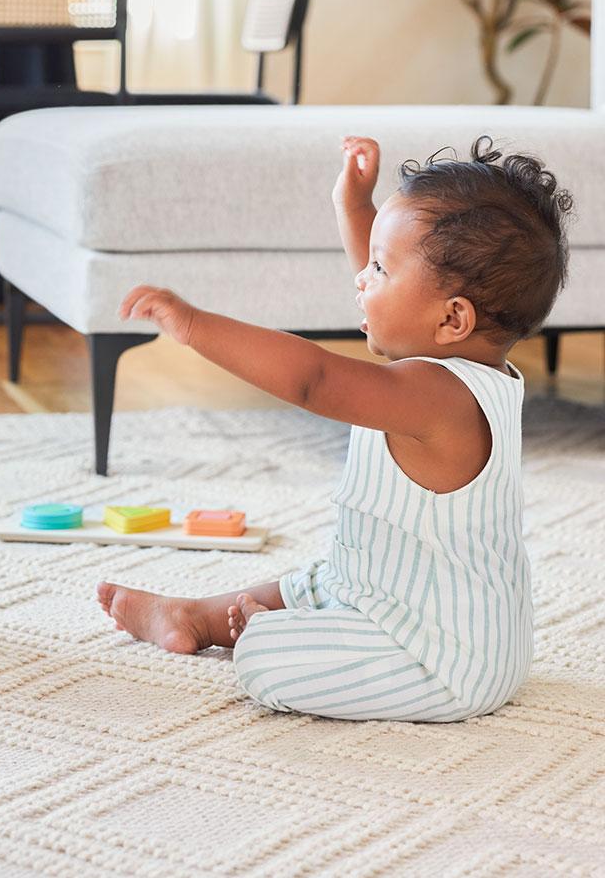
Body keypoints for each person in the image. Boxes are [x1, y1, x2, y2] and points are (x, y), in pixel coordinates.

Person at [97, 135, 572, 722]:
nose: (361, 279)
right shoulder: (450, 370)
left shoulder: (437, 398)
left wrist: (194, 325)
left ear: (453, 318)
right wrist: (354, 207)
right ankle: (193, 617)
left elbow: (313, 379)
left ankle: (267, 634)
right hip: (399, 595)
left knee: (265, 660)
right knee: (318, 579)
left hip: (442, 661)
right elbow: (400, 299)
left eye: (378, 267)